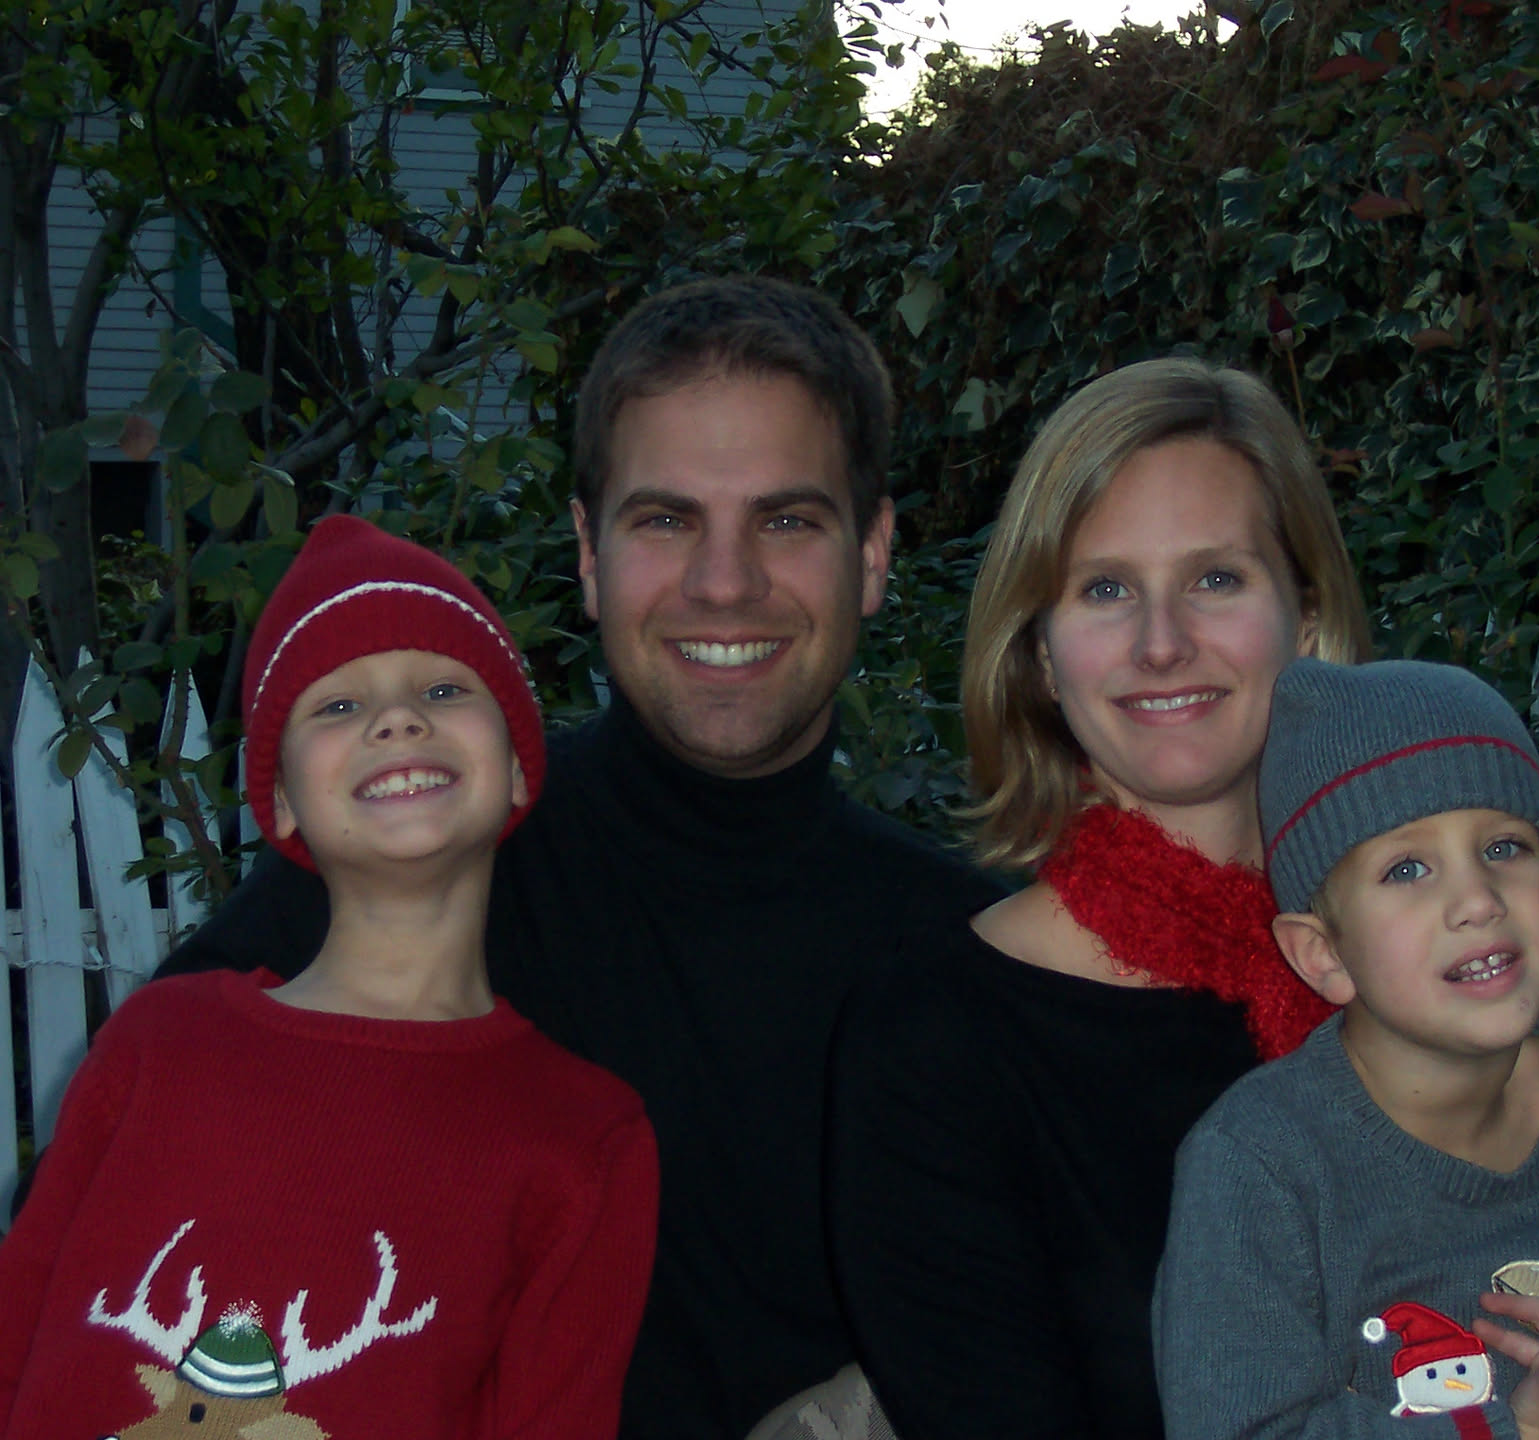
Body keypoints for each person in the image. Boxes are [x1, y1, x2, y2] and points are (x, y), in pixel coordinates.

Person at [158, 276, 1004, 1439]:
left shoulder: (966, 965)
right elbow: (123, 1228)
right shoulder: (413, 871)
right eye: (665, 520)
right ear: (589, 555)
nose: (724, 581)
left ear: (872, 552)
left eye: (786, 521)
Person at [0, 515, 659, 1438]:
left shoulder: (582, 1139)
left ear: (518, 765)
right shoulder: (161, 1044)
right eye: (338, 706)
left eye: (443, 687)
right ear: (278, 799)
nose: (398, 718)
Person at [825, 358, 1371, 1440]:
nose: (1162, 642)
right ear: (1040, 653)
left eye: (1217, 578)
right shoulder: (935, 1043)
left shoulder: (1449, 955)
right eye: (1106, 589)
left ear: (1306, 619)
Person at [1152, 658, 1539, 1440]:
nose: (1478, 900)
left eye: (1506, 849)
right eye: (1407, 868)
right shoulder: (1260, 1162)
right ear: (1324, 954)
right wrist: (1509, 1430)